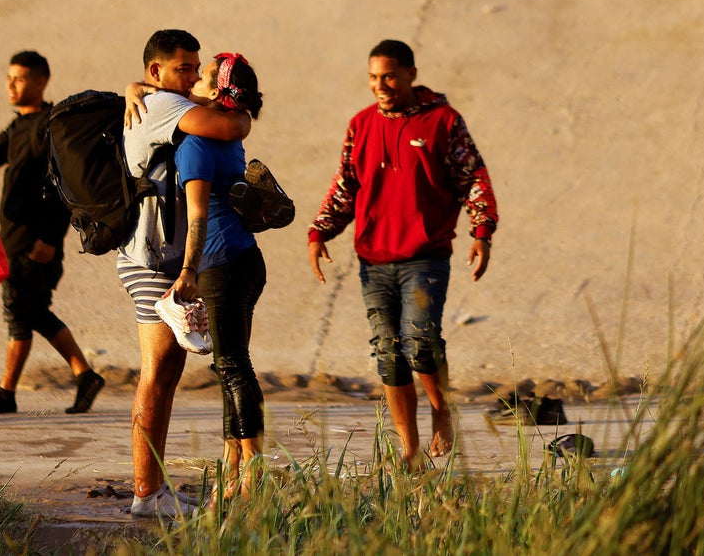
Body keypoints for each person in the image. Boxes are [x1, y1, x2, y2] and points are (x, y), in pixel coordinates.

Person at [308, 40, 498, 469]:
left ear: (411, 73)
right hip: (373, 259)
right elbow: (346, 185)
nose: (382, 85)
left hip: (425, 255)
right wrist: (320, 231)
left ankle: (441, 409)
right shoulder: (360, 124)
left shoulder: (443, 122)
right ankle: (409, 452)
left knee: (420, 341)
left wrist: (482, 231)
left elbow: (474, 178)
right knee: (388, 351)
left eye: (390, 76)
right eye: (374, 77)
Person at [119, 30, 252, 518]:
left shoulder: (155, 99)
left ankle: (150, 490)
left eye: (198, 68)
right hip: (151, 259)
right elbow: (229, 130)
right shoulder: (161, 108)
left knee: (168, 372)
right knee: (157, 372)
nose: (195, 76)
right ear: (157, 72)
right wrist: (241, 105)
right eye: (184, 69)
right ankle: (145, 496)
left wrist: (139, 85)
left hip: (163, 256)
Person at [0, 50, 106, 416]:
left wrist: (49, 238)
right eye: (8, 77)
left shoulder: (51, 126)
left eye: (20, 78)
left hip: (35, 241)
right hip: (12, 238)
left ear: (41, 82)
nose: (10, 84)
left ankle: (15, 390)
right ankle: (79, 376)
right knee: (30, 312)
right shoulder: (17, 127)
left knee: (21, 311)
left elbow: (63, 186)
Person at [171, 53, 268, 502]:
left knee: (232, 366)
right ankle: (232, 465)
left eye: (203, 75)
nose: (193, 79)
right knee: (231, 363)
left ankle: (252, 472)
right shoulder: (227, 133)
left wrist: (188, 270)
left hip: (220, 263)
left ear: (216, 92)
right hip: (247, 259)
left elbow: (196, 217)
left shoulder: (195, 143)